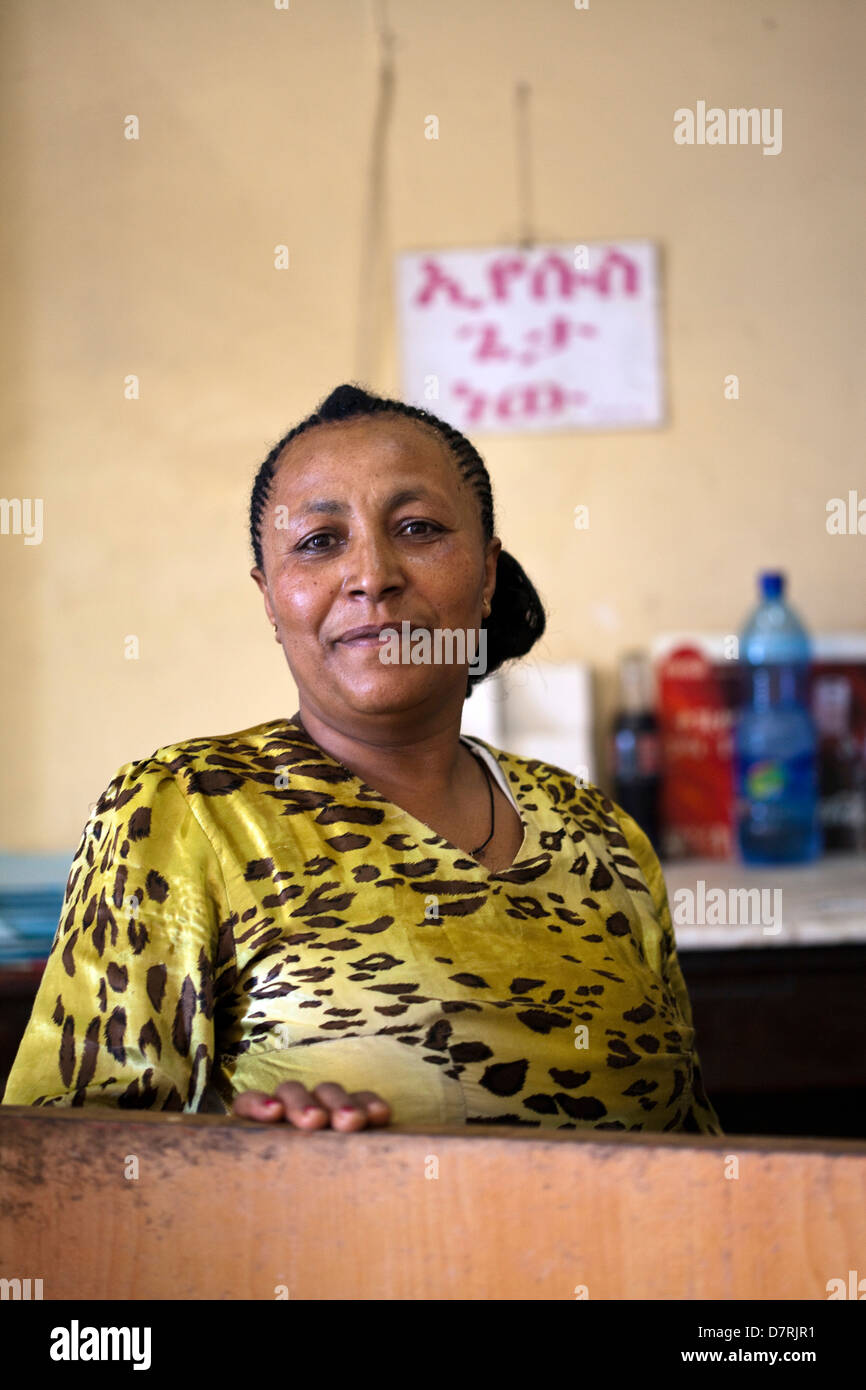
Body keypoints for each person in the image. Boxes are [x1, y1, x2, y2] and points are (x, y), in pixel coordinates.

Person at [3, 383, 721, 1135]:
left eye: (418, 528)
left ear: (485, 576)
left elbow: (699, 1158)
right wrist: (246, 1163)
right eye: (318, 542)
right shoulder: (185, 810)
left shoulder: (603, 835)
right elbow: (65, 1159)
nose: (372, 574)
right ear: (271, 599)